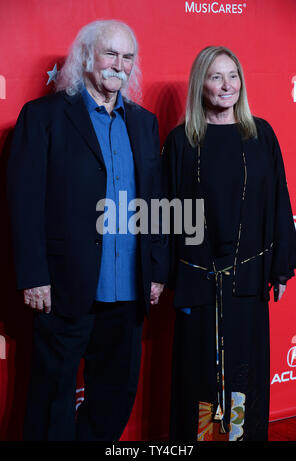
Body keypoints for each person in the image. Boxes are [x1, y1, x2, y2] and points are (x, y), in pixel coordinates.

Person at [7, 19, 167, 441]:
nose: (119, 64)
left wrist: (156, 268)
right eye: (110, 53)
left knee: (115, 393)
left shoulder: (144, 123)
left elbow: (154, 200)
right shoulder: (43, 118)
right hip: (63, 286)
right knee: (51, 396)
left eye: (127, 56)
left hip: (128, 289)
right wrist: (34, 275)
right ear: (86, 58)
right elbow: (23, 204)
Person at [162, 46, 296, 441]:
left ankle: (239, 438)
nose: (227, 86)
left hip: (248, 284)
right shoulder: (181, 142)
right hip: (197, 285)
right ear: (200, 84)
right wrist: (163, 275)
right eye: (216, 77)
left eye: (233, 76)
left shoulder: (261, 135)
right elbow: (168, 214)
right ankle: (205, 439)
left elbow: (278, 202)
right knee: (201, 376)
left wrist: (280, 267)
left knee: (244, 374)